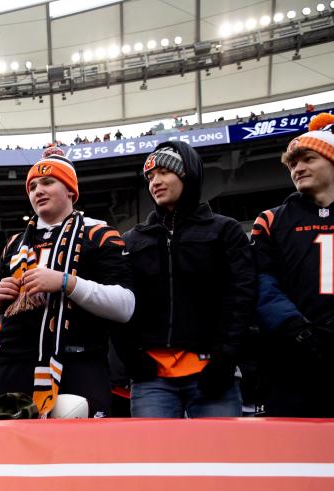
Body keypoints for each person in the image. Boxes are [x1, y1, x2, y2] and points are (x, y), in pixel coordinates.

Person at [0, 147, 134, 417]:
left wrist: (67, 283)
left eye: (48, 182)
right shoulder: (15, 244)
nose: (38, 190)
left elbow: (125, 306)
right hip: (13, 365)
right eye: (32, 186)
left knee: (80, 453)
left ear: (70, 191)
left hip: (78, 361)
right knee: (1, 451)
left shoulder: (99, 234)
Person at [117, 141, 255, 417]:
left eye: (164, 172)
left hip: (213, 372)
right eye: (150, 177)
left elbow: (243, 297)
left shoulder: (225, 230)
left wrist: (226, 359)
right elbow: (121, 304)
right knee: (155, 460)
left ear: (187, 174)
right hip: (151, 380)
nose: (155, 181)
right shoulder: (132, 240)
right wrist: (131, 357)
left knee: (219, 460)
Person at [251, 113, 334, 416]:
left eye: (308, 159)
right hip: (293, 355)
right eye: (292, 164)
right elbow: (262, 279)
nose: (298, 169)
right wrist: (295, 328)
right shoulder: (272, 219)